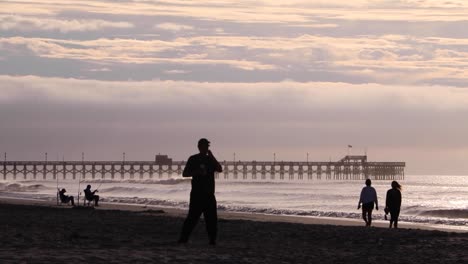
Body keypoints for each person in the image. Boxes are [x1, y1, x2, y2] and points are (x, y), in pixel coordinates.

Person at [178, 138, 222, 245]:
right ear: (199, 147)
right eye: (204, 146)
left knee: (211, 219)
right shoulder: (193, 159)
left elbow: (220, 169)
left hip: (209, 194)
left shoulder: (210, 159)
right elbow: (185, 174)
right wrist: (196, 172)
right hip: (197, 194)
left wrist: (212, 156)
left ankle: (212, 240)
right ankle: (183, 239)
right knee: (192, 218)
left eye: (207, 146)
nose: (206, 148)